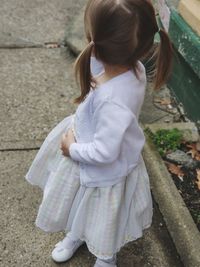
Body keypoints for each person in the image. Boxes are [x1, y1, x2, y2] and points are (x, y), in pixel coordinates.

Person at [25, 0, 172, 266]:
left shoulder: (113, 100)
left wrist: (72, 149)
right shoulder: (128, 64)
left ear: (96, 42)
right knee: (80, 202)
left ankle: (105, 255)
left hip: (102, 166)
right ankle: (77, 232)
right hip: (91, 150)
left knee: (104, 215)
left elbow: (105, 152)